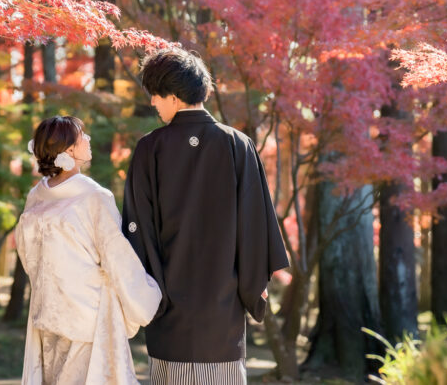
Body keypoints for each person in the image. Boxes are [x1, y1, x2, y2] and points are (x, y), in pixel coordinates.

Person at [123, 48, 290, 384]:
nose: (153, 103)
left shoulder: (149, 148)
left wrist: (152, 293)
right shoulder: (237, 145)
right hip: (223, 311)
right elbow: (255, 227)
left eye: (155, 95)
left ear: (172, 95)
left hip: (169, 311)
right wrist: (253, 284)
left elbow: (137, 229)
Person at [15, 115, 161, 385]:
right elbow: (118, 258)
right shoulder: (94, 197)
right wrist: (148, 298)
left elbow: (29, 256)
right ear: (69, 149)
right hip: (88, 318)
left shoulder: (36, 196)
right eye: (82, 135)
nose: (89, 139)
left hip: (47, 315)